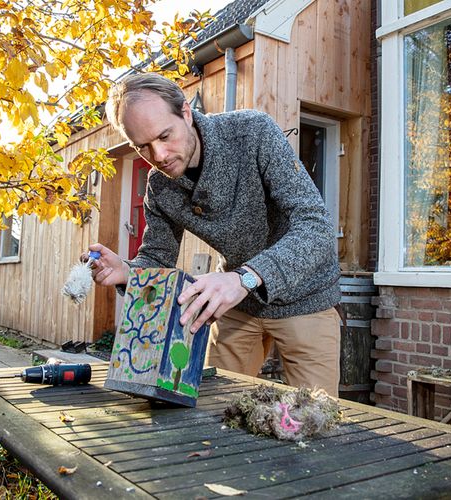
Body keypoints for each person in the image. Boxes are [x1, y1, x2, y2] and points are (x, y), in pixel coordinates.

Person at [86, 72, 342, 396]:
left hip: (304, 296)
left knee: (315, 419)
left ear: (186, 114)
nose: (159, 156)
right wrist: (127, 272)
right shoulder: (160, 186)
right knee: (213, 406)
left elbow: (315, 226)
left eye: (165, 136)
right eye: (143, 147)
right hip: (237, 304)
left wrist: (243, 279)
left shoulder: (253, 132)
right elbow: (156, 257)